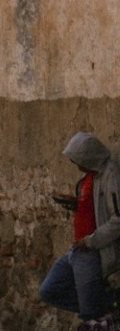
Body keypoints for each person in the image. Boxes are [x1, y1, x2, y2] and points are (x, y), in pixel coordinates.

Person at [41, 131, 120, 321]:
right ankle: (105, 303)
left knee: (90, 315)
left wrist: (90, 242)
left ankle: (101, 308)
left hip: (91, 251)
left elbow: (117, 220)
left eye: (77, 160)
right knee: (49, 290)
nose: (75, 165)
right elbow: (93, 206)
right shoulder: (89, 177)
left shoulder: (110, 176)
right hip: (77, 249)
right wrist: (76, 204)